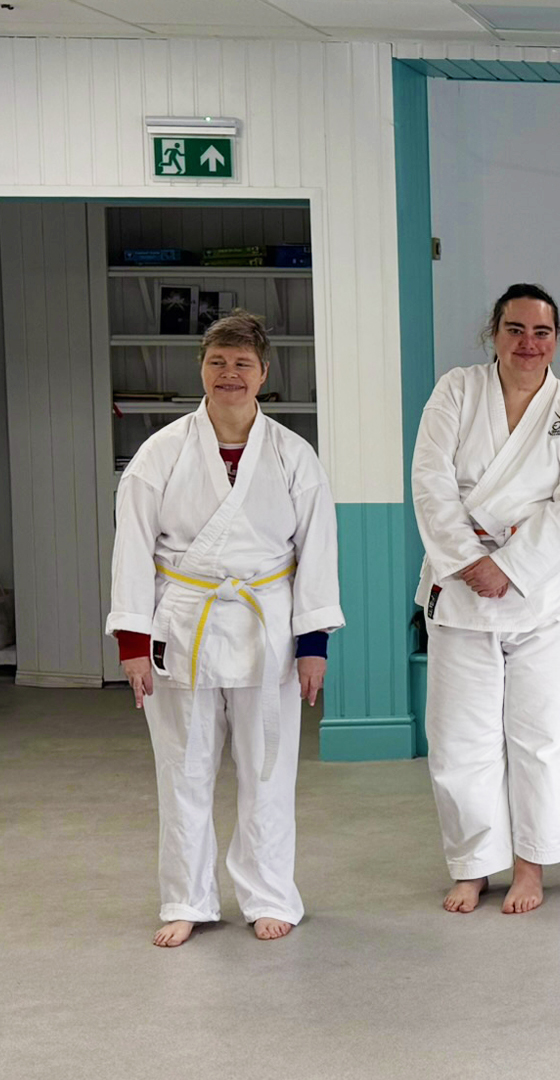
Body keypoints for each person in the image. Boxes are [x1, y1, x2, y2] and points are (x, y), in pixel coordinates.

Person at [106, 311, 343, 948]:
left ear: (264, 374)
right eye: (218, 363)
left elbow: (317, 554)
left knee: (268, 770)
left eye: (242, 363)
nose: (229, 374)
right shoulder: (161, 452)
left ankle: (269, 894)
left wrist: (313, 644)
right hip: (183, 622)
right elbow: (131, 547)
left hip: (268, 626)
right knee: (182, 769)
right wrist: (131, 643)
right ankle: (186, 897)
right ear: (202, 372)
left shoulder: (295, 455)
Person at [411, 284, 560, 916]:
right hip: (464, 586)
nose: (529, 343)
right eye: (515, 330)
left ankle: (530, 865)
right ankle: (473, 865)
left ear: (557, 339)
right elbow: (430, 480)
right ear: (493, 333)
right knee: (461, 735)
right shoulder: (456, 391)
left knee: (544, 735)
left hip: (545, 593)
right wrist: (472, 561)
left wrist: (512, 566)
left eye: (542, 332)